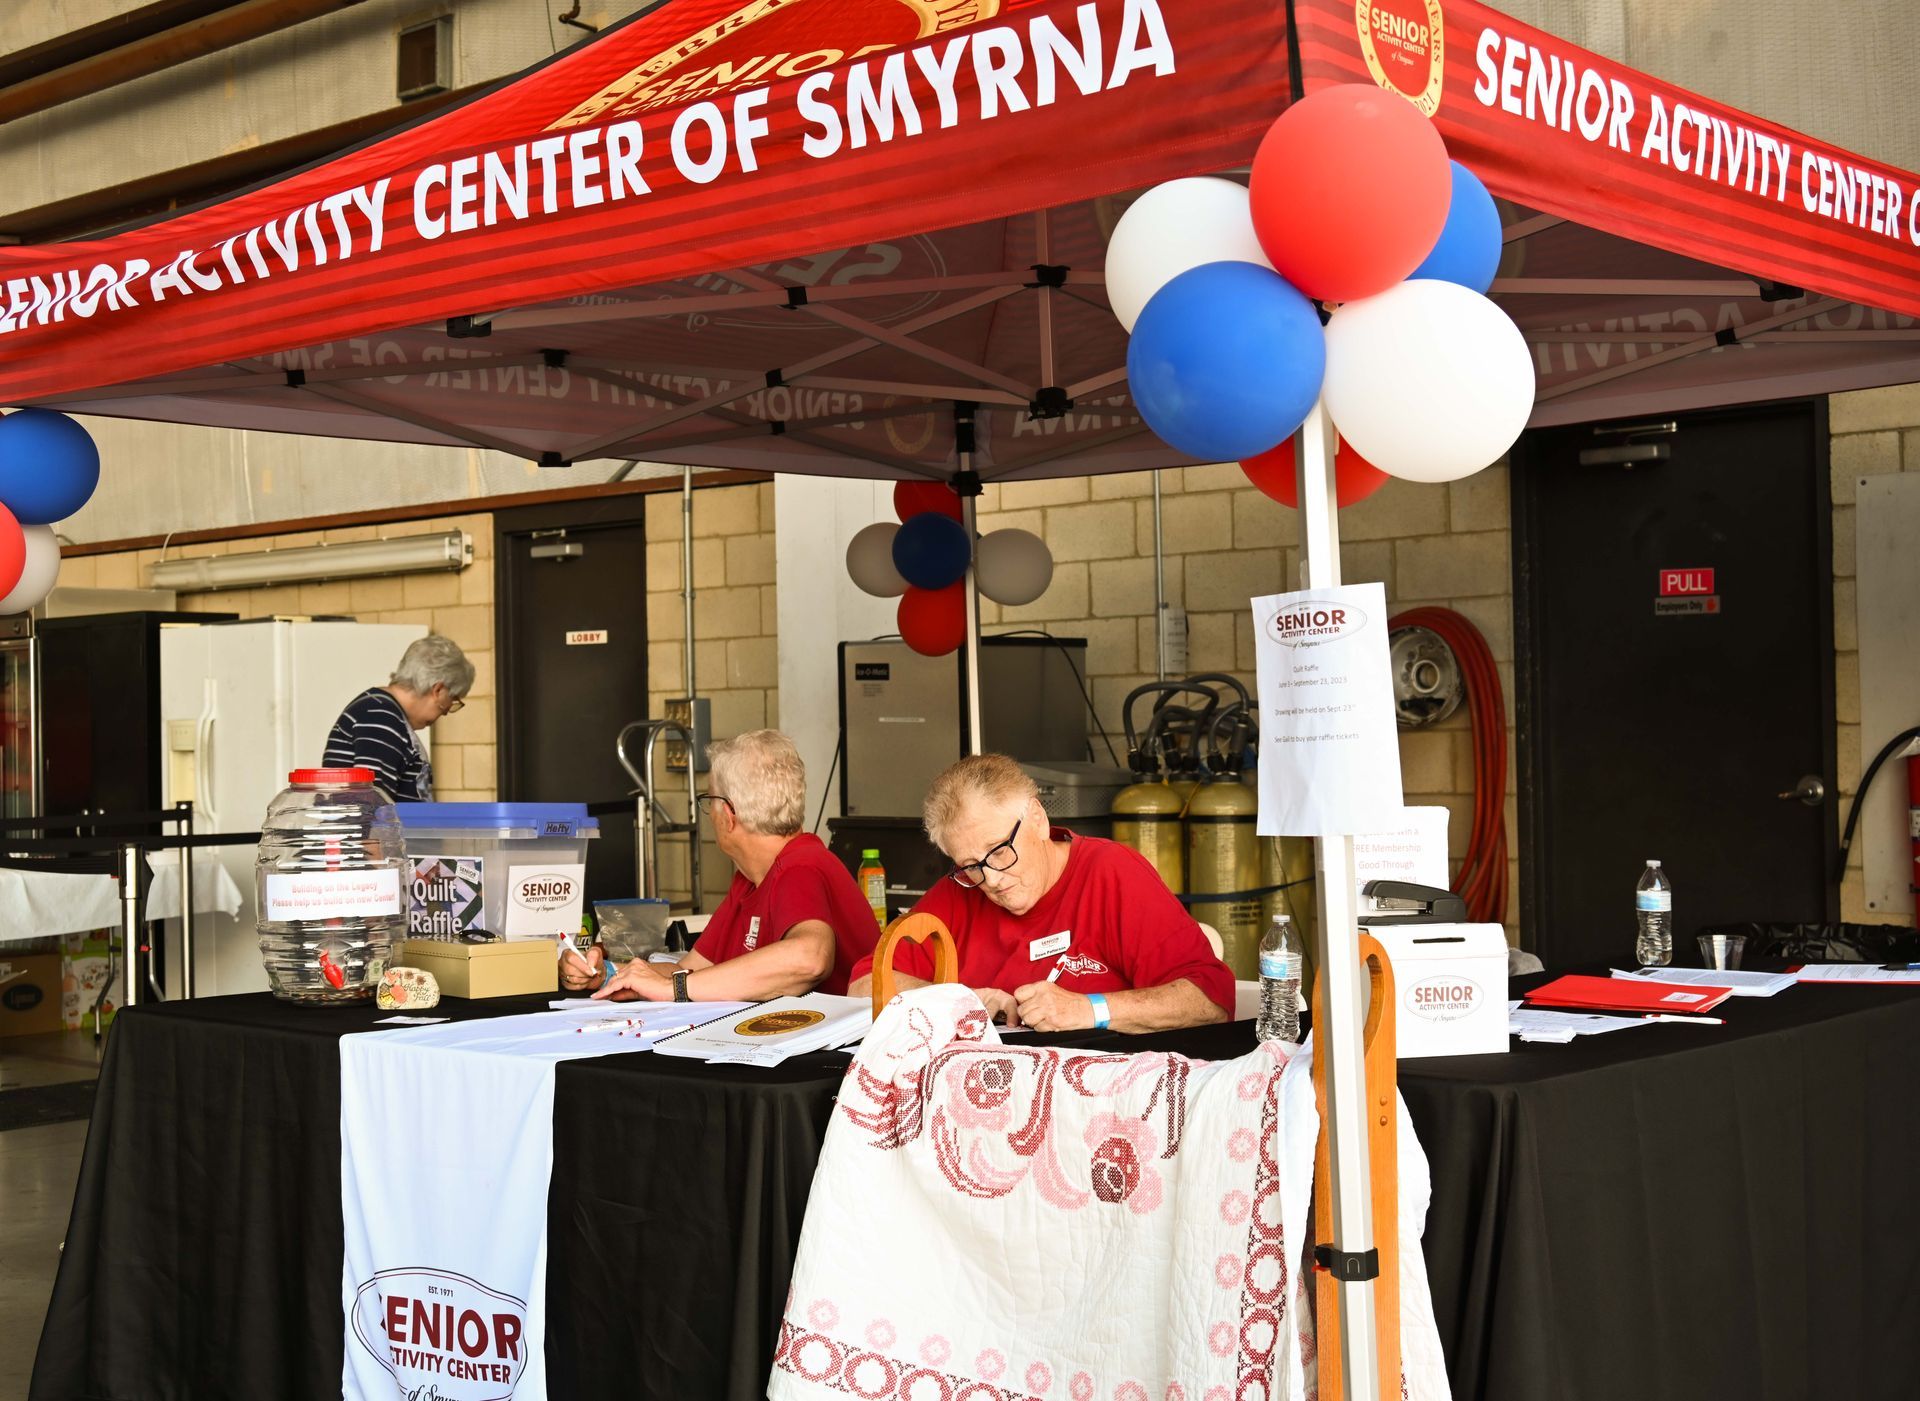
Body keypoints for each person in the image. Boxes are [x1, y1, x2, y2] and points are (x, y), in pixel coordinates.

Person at [848, 753, 1232, 1033]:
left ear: (1037, 819)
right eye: (971, 866)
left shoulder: (1111, 874)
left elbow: (1210, 1001)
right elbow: (865, 983)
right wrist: (959, 998)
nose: (992, 879)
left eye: (1000, 851)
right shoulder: (961, 890)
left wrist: (1089, 1009)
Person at [564, 729, 878, 1001]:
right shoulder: (750, 879)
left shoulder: (801, 868)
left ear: (728, 816)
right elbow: (687, 971)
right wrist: (607, 974)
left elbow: (810, 958)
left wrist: (677, 988)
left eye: (708, 800)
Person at [320, 634, 472, 802]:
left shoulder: (383, 712)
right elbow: (373, 805)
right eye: (452, 700)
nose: (445, 713)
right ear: (438, 690)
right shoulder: (381, 717)